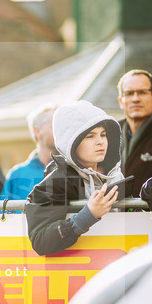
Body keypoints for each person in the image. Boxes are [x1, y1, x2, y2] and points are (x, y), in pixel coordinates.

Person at [26, 100, 122, 256]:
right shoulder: (56, 182)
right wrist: (88, 215)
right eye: (90, 136)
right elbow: (40, 240)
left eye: (103, 134)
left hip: (116, 264)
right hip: (76, 274)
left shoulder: (116, 175)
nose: (100, 141)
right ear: (71, 142)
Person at [1, 104, 57, 200]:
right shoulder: (17, 176)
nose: (61, 131)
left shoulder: (75, 171)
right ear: (37, 132)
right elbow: (2, 213)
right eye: (55, 126)